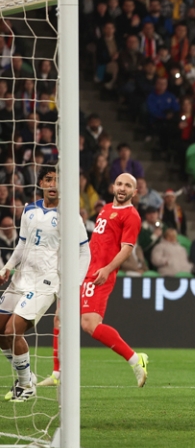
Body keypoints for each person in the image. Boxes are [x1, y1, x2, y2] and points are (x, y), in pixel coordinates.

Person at [44, 173, 147, 388]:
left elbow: (127, 249)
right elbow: (97, 241)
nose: (122, 188)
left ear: (134, 192)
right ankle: (57, 374)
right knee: (60, 317)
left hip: (100, 275)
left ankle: (136, 360)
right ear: (113, 186)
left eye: (128, 186)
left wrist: (107, 269)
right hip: (83, 270)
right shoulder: (106, 209)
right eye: (119, 184)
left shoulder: (131, 216)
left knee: (89, 325)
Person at [0, 166, 90, 400]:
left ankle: (26, 385)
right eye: (49, 179)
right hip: (21, 278)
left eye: (58, 180)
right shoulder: (29, 210)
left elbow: (84, 252)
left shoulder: (70, 216)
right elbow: (22, 244)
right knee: (1, 333)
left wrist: (75, 285)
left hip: (45, 283)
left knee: (12, 331)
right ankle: (27, 377)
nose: (53, 184)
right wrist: (7, 267)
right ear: (40, 183)